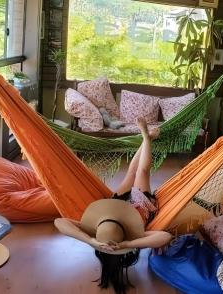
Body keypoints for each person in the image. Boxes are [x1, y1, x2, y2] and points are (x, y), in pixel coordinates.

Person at [54, 118, 173, 294]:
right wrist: (127, 243)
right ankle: (147, 139)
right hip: (140, 205)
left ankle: (146, 138)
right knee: (141, 172)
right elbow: (164, 236)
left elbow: (59, 221)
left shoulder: (100, 234)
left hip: (116, 206)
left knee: (131, 172)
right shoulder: (133, 236)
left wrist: (90, 240)